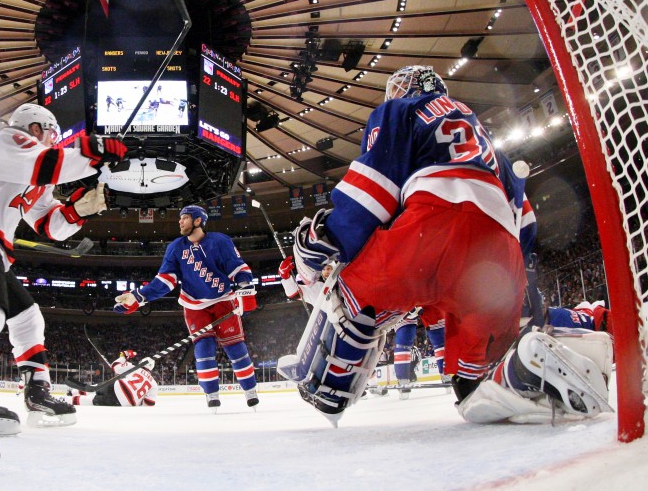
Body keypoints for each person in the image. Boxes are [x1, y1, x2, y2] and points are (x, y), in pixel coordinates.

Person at [282, 65, 612, 426]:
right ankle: (543, 364)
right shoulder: (489, 143)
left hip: (433, 226)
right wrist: (515, 289)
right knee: (474, 387)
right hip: (498, 258)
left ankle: (331, 392)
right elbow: (526, 224)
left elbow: (371, 193)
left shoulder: (400, 111)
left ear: (410, 89)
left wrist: (327, 238)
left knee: (352, 300)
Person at [0, 102, 128, 435]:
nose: (54, 140)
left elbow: (51, 226)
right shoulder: (9, 141)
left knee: (28, 317)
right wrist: (93, 149)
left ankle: (37, 392)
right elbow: (49, 164)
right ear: (36, 128)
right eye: (52, 134)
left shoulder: (36, 173)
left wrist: (80, 209)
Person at [113, 205, 260, 410]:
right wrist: (138, 297)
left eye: (185, 218)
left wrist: (244, 285)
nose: (180, 222)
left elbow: (238, 268)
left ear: (198, 221)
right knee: (204, 348)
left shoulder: (220, 241)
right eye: (180, 218)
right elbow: (165, 281)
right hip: (193, 305)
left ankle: (250, 391)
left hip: (223, 301)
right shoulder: (176, 247)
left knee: (236, 347)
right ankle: (212, 395)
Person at [69, 350, 158, 407]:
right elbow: (149, 403)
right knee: (90, 400)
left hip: (117, 386)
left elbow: (115, 366)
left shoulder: (134, 367)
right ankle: (66, 401)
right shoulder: (154, 384)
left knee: (96, 387)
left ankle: (72, 392)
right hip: (124, 402)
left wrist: (124, 355)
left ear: (141, 362)